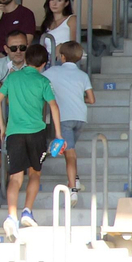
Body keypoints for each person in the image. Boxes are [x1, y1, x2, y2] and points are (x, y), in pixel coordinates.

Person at [0, 43, 63, 232]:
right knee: (34, 174)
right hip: (36, 132)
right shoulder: (43, 81)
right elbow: (54, 107)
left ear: (25, 59)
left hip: (14, 133)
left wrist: (2, 127)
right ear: (44, 63)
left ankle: (11, 215)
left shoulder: (13, 77)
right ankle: (27, 211)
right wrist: (57, 134)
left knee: (15, 178)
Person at [44, 41, 94, 191]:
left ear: (63, 57)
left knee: (70, 154)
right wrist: (78, 99)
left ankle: (73, 188)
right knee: (69, 149)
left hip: (64, 118)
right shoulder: (83, 75)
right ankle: (75, 178)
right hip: (80, 117)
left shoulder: (53, 71)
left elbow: (37, 79)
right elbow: (91, 99)